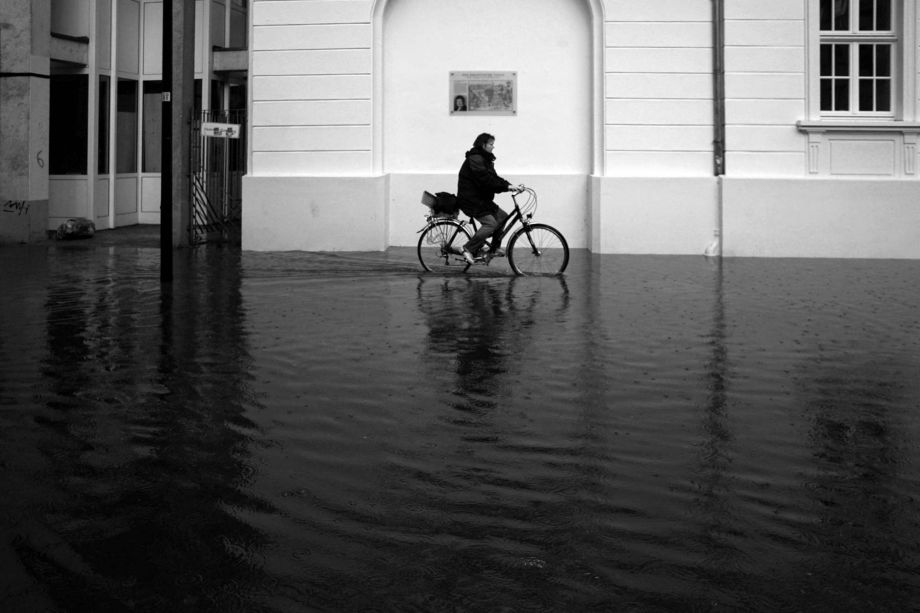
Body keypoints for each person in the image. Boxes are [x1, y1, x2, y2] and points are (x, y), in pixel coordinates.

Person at [456, 133, 520, 264]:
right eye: (491, 144)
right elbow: (486, 180)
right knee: (491, 224)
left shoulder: (485, 159)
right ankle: (467, 248)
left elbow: (494, 178)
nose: (493, 147)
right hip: (470, 200)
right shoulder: (475, 159)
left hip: (481, 199)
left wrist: (509, 185)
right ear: (483, 145)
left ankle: (494, 249)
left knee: (502, 217)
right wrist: (506, 187)